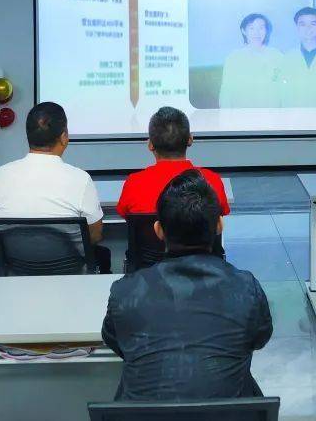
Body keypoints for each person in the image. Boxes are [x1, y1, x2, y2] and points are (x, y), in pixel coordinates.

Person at [102, 170, 272, 400]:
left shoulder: (125, 292)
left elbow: (117, 341)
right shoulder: (245, 288)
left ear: (158, 230)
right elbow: (258, 338)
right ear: (219, 226)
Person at [0, 101, 111, 273]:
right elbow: (95, 235)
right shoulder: (80, 179)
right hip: (70, 274)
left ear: (28, 136)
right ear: (64, 136)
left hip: (17, 272)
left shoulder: (1, 175)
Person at [116, 106, 230, 218]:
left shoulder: (134, 184)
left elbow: (125, 215)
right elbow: (219, 217)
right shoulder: (212, 181)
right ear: (190, 139)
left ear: (150, 145)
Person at [218, 13, 284, 108]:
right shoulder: (234, 58)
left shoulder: (277, 55)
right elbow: (226, 92)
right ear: (244, 31)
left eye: (261, 28)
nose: (257, 33)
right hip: (242, 114)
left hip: (270, 114)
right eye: (252, 28)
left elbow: (282, 88)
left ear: (266, 31)